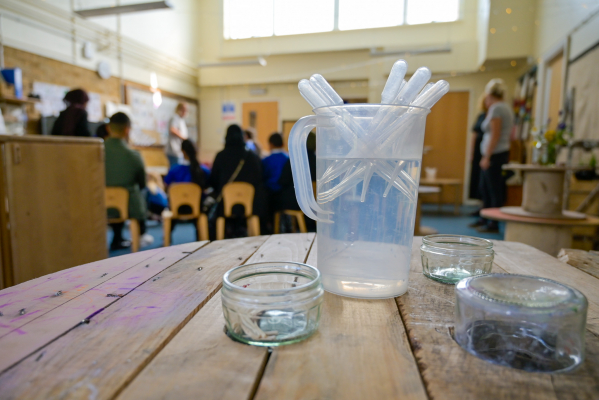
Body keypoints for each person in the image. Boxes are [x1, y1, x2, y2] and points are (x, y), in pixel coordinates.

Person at [105, 112, 154, 250]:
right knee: (137, 192)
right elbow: (142, 183)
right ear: (127, 130)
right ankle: (141, 233)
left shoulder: (96, 153)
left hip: (100, 204)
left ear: (108, 128)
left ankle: (117, 236)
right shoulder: (133, 156)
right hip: (129, 207)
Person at [471, 79, 514, 233]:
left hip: (495, 154)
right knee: (486, 187)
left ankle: (493, 223)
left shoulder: (497, 108)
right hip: (499, 153)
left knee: (492, 189)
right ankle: (485, 218)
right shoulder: (506, 107)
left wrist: (487, 156)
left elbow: (495, 135)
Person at [209, 124, 266, 238]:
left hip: (225, 204)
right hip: (251, 204)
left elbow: (213, 181)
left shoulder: (220, 156)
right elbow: (260, 178)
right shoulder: (252, 156)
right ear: (242, 136)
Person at [277, 132, 316, 232]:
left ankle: (287, 230)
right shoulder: (319, 161)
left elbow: (283, 181)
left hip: (298, 202)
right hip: (317, 202)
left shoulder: (294, 159)